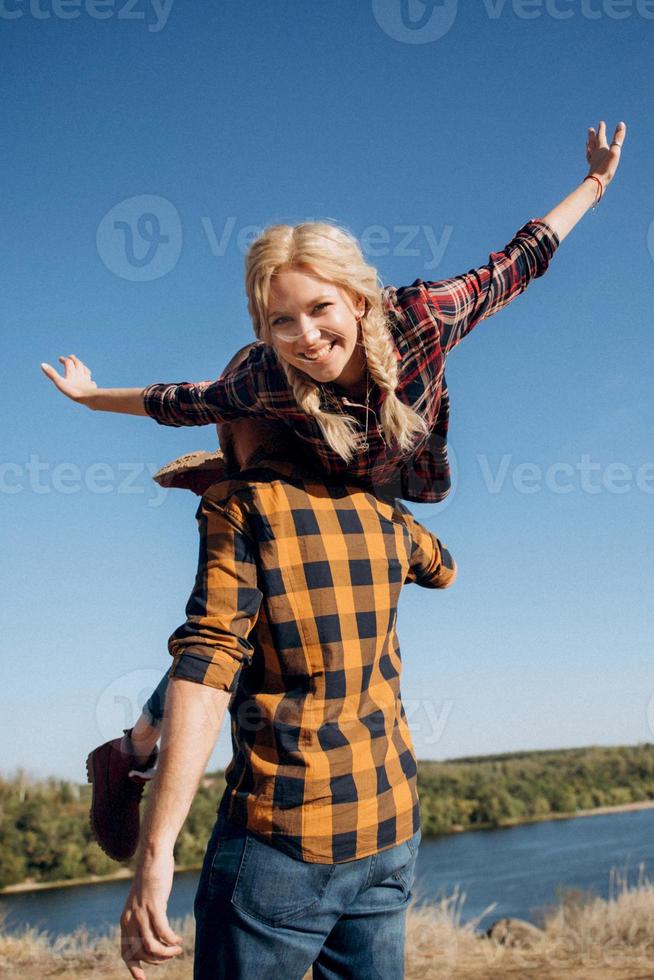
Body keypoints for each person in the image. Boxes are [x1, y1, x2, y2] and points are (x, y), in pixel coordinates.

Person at [40, 122, 626, 505]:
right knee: (246, 396)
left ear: (358, 299)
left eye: (321, 308)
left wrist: (596, 182)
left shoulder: (422, 319)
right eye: (282, 322)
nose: (307, 338)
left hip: (401, 468)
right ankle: (232, 466)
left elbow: (519, 263)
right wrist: (89, 396)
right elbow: (177, 401)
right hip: (312, 463)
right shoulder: (268, 375)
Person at [115, 404, 457, 980]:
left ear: (228, 427)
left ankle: (130, 750)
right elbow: (444, 569)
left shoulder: (238, 501)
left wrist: (156, 852)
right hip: (390, 822)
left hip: (286, 835)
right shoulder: (385, 514)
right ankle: (132, 747)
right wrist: (367, 497)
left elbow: (209, 661)